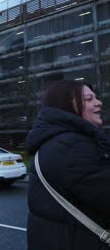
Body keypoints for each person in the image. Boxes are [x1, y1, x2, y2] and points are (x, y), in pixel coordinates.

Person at [26, 80, 110, 249]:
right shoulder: (74, 147)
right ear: (67, 106)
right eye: (89, 99)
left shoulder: (54, 143)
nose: (98, 102)